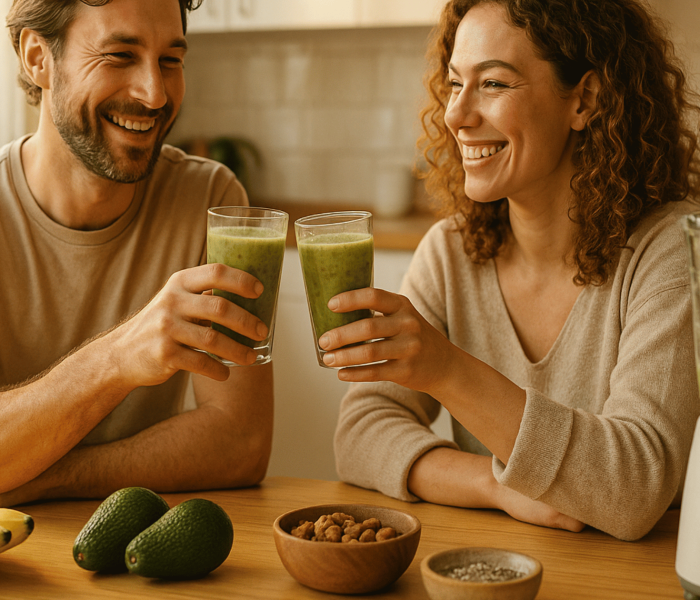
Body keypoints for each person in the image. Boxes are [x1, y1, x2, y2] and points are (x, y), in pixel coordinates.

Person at [329, 0, 700, 541]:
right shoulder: (451, 251)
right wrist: (495, 485)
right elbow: (360, 434)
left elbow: (635, 490)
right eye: (456, 84)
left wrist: (446, 371)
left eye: (495, 84)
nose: (457, 114)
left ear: (585, 99)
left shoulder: (668, 251)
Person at [0, 0, 274, 507]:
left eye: (171, 60)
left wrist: (41, 476)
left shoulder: (209, 199)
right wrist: (119, 358)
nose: (155, 93)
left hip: (141, 555)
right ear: (38, 58)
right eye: (120, 55)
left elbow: (241, 442)